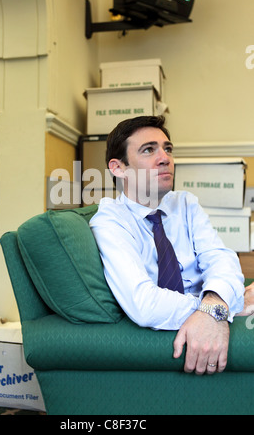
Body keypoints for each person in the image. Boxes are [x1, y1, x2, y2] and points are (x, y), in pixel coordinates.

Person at [90, 115, 254, 376]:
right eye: (148, 150)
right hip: (182, 327)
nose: (165, 157)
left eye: (167, 148)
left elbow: (222, 259)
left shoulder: (186, 203)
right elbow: (143, 303)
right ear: (119, 168)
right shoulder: (110, 221)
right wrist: (222, 308)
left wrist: (216, 301)